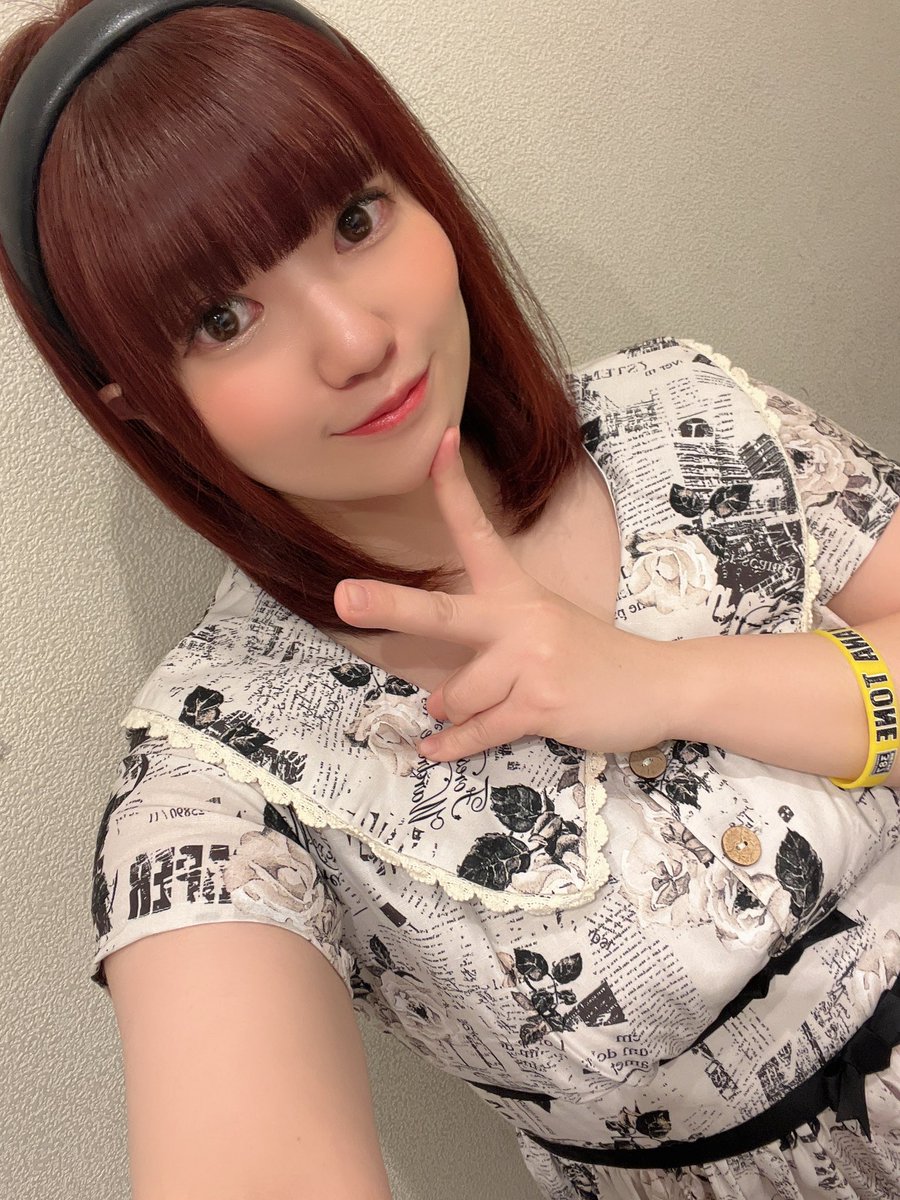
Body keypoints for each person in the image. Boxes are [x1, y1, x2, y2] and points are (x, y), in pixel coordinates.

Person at [1, 2, 899, 1198]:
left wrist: (668, 681)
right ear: (137, 398)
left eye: (355, 219)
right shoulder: (224, 772)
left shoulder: (686, 419)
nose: (354, 340)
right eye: (222, 318)